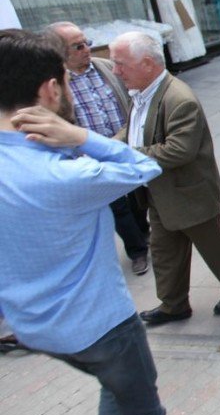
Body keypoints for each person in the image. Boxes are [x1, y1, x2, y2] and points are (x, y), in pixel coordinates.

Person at [0, 31, 202, 415]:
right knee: (143, 410)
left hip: (34, 325)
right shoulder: (63, 176)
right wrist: (79, 137)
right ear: (50, 91)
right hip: (99, 324)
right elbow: (140, 167)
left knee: (117, 389)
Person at [110, 32, 220, 325]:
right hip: (160, 194)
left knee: (214, 247)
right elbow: (133, 130)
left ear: (147, 63)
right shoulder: (142, 93)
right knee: (164, 252)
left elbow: (178, 150)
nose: (115, 71)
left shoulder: (179, 98)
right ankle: (173, 305)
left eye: (120, 64)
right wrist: (108, 146)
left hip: (190, 195)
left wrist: (124, 154)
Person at [47, 21, 151, 275]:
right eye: (78, 46)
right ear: (61, 52)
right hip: (92, 156)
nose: (86, 49)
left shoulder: (106, 69)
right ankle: (137, 251)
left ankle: (145, 232)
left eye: (87, 42)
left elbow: (133, 99)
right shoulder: (58, 84)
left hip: (126, 146)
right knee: (117, 206)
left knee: (138, 197)